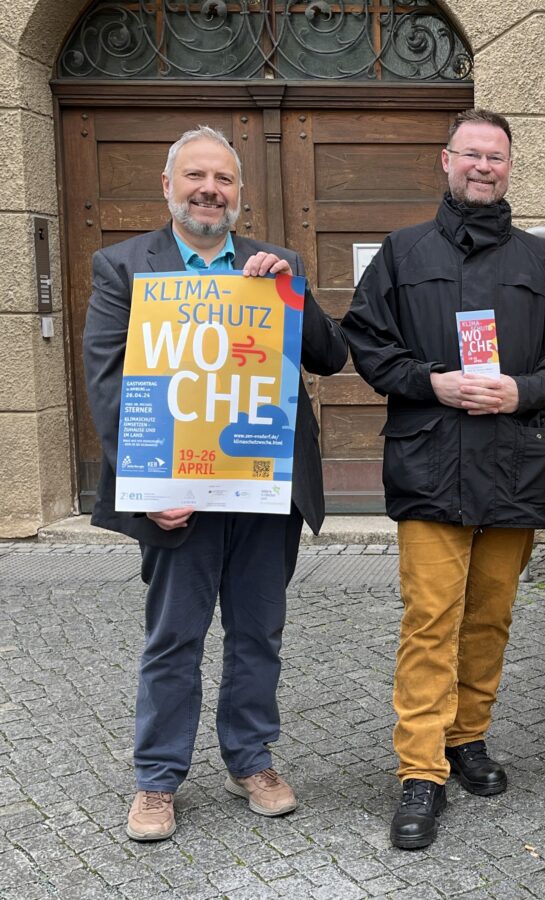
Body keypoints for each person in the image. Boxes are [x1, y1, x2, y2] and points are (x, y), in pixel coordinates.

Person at [83, 126, 348, 841]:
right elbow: (109, 384)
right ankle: (157, 780)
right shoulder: (123, 267)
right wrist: (146, 487)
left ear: (239, 193)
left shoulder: (277, 264)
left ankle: (251, 759)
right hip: (179, 497)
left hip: (264, 489)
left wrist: (290, 294)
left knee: (259, 630)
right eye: (195, 176)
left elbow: (330, 356)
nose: (210, 189)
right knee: (175, 636)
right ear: (167, 187)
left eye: (224, 179)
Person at [340, 109, 545, 850]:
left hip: (513, 462)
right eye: (472, 154)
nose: (484, 166)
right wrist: (431, 383)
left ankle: (467, 737)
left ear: (509, 168)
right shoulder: (402, 252)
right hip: (430, 460)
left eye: (497, 156)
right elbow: (367, 341)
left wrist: (522, 391)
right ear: (445, 161)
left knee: (489, 618)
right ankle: (421, 772)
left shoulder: (539, 261)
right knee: (430, 620)